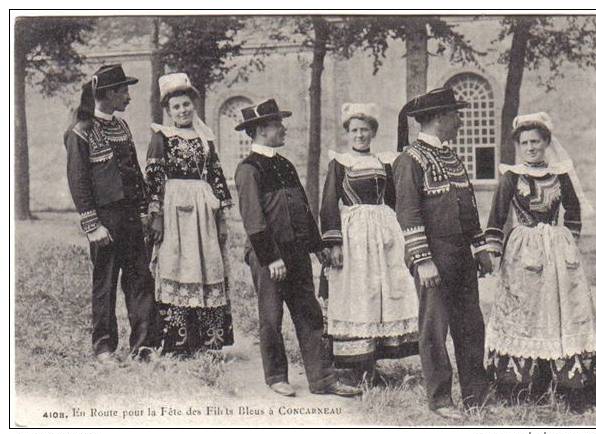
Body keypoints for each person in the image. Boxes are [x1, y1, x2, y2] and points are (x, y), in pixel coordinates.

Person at [234, 99, 361, 398]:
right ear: (262, 130)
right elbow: (253, 220)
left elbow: (303, 208)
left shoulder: (284, 164)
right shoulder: (248, 169)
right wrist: (270, 257)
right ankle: (276, 376)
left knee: (310, 314)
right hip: (269, 257)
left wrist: (317, 246)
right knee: (271, 315)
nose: (283, 129)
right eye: (278, 124)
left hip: (297, 253)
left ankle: (322, 379)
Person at [483, 112, 596, 413]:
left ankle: (570, 386)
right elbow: (497, 215)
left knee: (562, 309)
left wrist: (568, 243)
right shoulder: (511, 176)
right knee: (525, 310)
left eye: (536, 141)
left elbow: (573, 211)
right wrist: (494, 249)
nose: (530, 147)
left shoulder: (560, 175)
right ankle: (520, 385)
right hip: (523, 249)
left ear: (547, 142)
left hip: (557, 250)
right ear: (519, 146)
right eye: (524, 143)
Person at [393, 88, 494, 418]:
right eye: (455, 114)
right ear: (438, 119)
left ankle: (476, 395)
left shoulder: (451, 157)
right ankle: (440, 399)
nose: (460, 120)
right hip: (433, 258)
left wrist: (479, 248)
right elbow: (408, 213)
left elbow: (468, 208)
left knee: (471, 325)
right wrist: (422, 260)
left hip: (461, 257)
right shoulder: (409, 160)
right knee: (434, 329)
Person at [319, 103, 418, 383]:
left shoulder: (384, 162)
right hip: (355, 236)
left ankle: (374, 365)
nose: (359, 135)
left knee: (383, 293)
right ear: (347, 134)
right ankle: (355, 368)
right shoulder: (339, 163)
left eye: (364, 130)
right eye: (354, 131)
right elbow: (328, 205)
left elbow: (395, 199)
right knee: (359, 294)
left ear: (372, 132)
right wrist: (333, 243)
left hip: (384, 233)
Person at [64, 64, 156, 363]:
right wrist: (93, 225)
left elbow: (134, 173)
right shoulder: (81, 131)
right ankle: (104, 347)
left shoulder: (122, 126)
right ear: (107, 94)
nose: (128, 97)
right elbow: (78, 182)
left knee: (141, 280)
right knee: (105, 284)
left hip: (131, 217)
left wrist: (144, 211)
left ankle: (144, 346)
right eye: (123, 91)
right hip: (105, 220)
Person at [144, 73, 234, 356]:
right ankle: (176, 342)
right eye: (176, 107)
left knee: (206, 265)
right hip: (174, 211)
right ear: (168, 112)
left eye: (186, 105)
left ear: (193, 105)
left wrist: (221, 218)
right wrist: (155, 215)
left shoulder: (206, 139)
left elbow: (216, 179)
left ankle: (208, 340)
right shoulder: (161, 137)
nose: (182, 110)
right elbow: (154, 177)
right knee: (177, 264)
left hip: (204, 213)